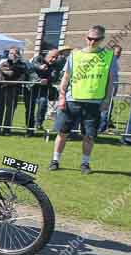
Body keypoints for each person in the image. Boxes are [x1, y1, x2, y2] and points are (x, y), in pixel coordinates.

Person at [49, 25, 115, 174]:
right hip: (72, 100)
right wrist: (61, 97)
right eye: (89, 38)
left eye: (96, 39)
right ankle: (55, 160)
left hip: (94, 102)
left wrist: (107, 100)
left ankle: (85, 164)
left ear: (102, 39)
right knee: (62, 132)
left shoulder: (109, 56)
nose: (92, 42)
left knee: (89, 135)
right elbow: (66, 77)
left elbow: (110, 81)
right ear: (86, 37)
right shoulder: (75, 55)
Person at [0, 47, 27, 135]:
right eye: (10, 53)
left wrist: (3, 70)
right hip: (1, 88)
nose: (10, 55)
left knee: (10, 109)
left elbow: (16, 75)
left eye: (13, 53)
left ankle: (6, 130)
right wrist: (2, 72)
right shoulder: (4, 63)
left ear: (17, 54)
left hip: (13, 89)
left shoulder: (21, 65)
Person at [28, 49, 60, 133]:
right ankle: (29, 129)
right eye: (53, 57)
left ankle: (38, 123)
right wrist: (40, 69)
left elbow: (55, 76)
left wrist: (48, 80)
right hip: (31, 87)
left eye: (56, 58)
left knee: (43, 103)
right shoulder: (38, 58)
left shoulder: (55, 64)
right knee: (30, 109)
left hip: (44, 88)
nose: (54, 59)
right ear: (47, 55)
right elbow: (31, 67)